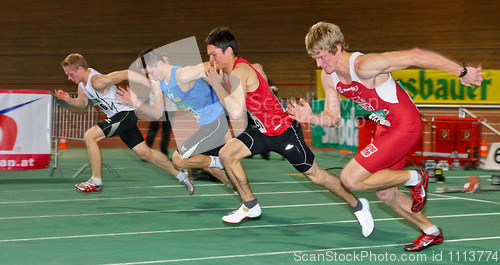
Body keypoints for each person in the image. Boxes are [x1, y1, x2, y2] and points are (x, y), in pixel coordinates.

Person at [287, 21, 483, 251]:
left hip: (405, 125)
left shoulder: (363, 65)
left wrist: (461, 72)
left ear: (338, 47)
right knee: (386, 194)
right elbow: (334, 118)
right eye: (315, 59)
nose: (319, 64)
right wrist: (312, 118)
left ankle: (414, 177)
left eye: (322, 57)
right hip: (385, 129)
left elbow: (416, 55)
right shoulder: (329, 77)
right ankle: (432, 232)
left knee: (350, 179)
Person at [204, 27, 374, 238]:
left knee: (317, 176)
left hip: (285, 133)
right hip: (264, 132)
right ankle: (250, 204)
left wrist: (216, 84)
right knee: (226, 154)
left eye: (213, 54)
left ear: (228, 51)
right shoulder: (238, 68)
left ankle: (358, 205)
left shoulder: (240, 71)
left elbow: (236, 110)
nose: (211, 60)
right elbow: (257, 67)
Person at [54, 53, 194, 194]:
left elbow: (125, 73)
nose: (69, 78)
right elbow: (83, 103)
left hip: (125, 115)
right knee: (145, 154)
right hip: (120, 118)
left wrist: (152, 85)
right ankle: (181, 175)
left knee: (90, 136)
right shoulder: (82, 85)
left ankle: (96, 180)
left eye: (70, 74)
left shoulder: (97, 81)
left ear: (79, 69)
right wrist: (68, 99)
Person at [117, 49, 232, 188]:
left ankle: (221, 163)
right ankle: (236, 188)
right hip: (206, 122)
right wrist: (137, 103)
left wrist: (221, 76)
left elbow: (205, 66)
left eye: (150, 73)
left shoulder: (181, 74)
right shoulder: (161, 84)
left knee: (179, 159)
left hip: (217, 118)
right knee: (213, 167)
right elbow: (157, 112)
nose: (150, 77)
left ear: (159, 64)